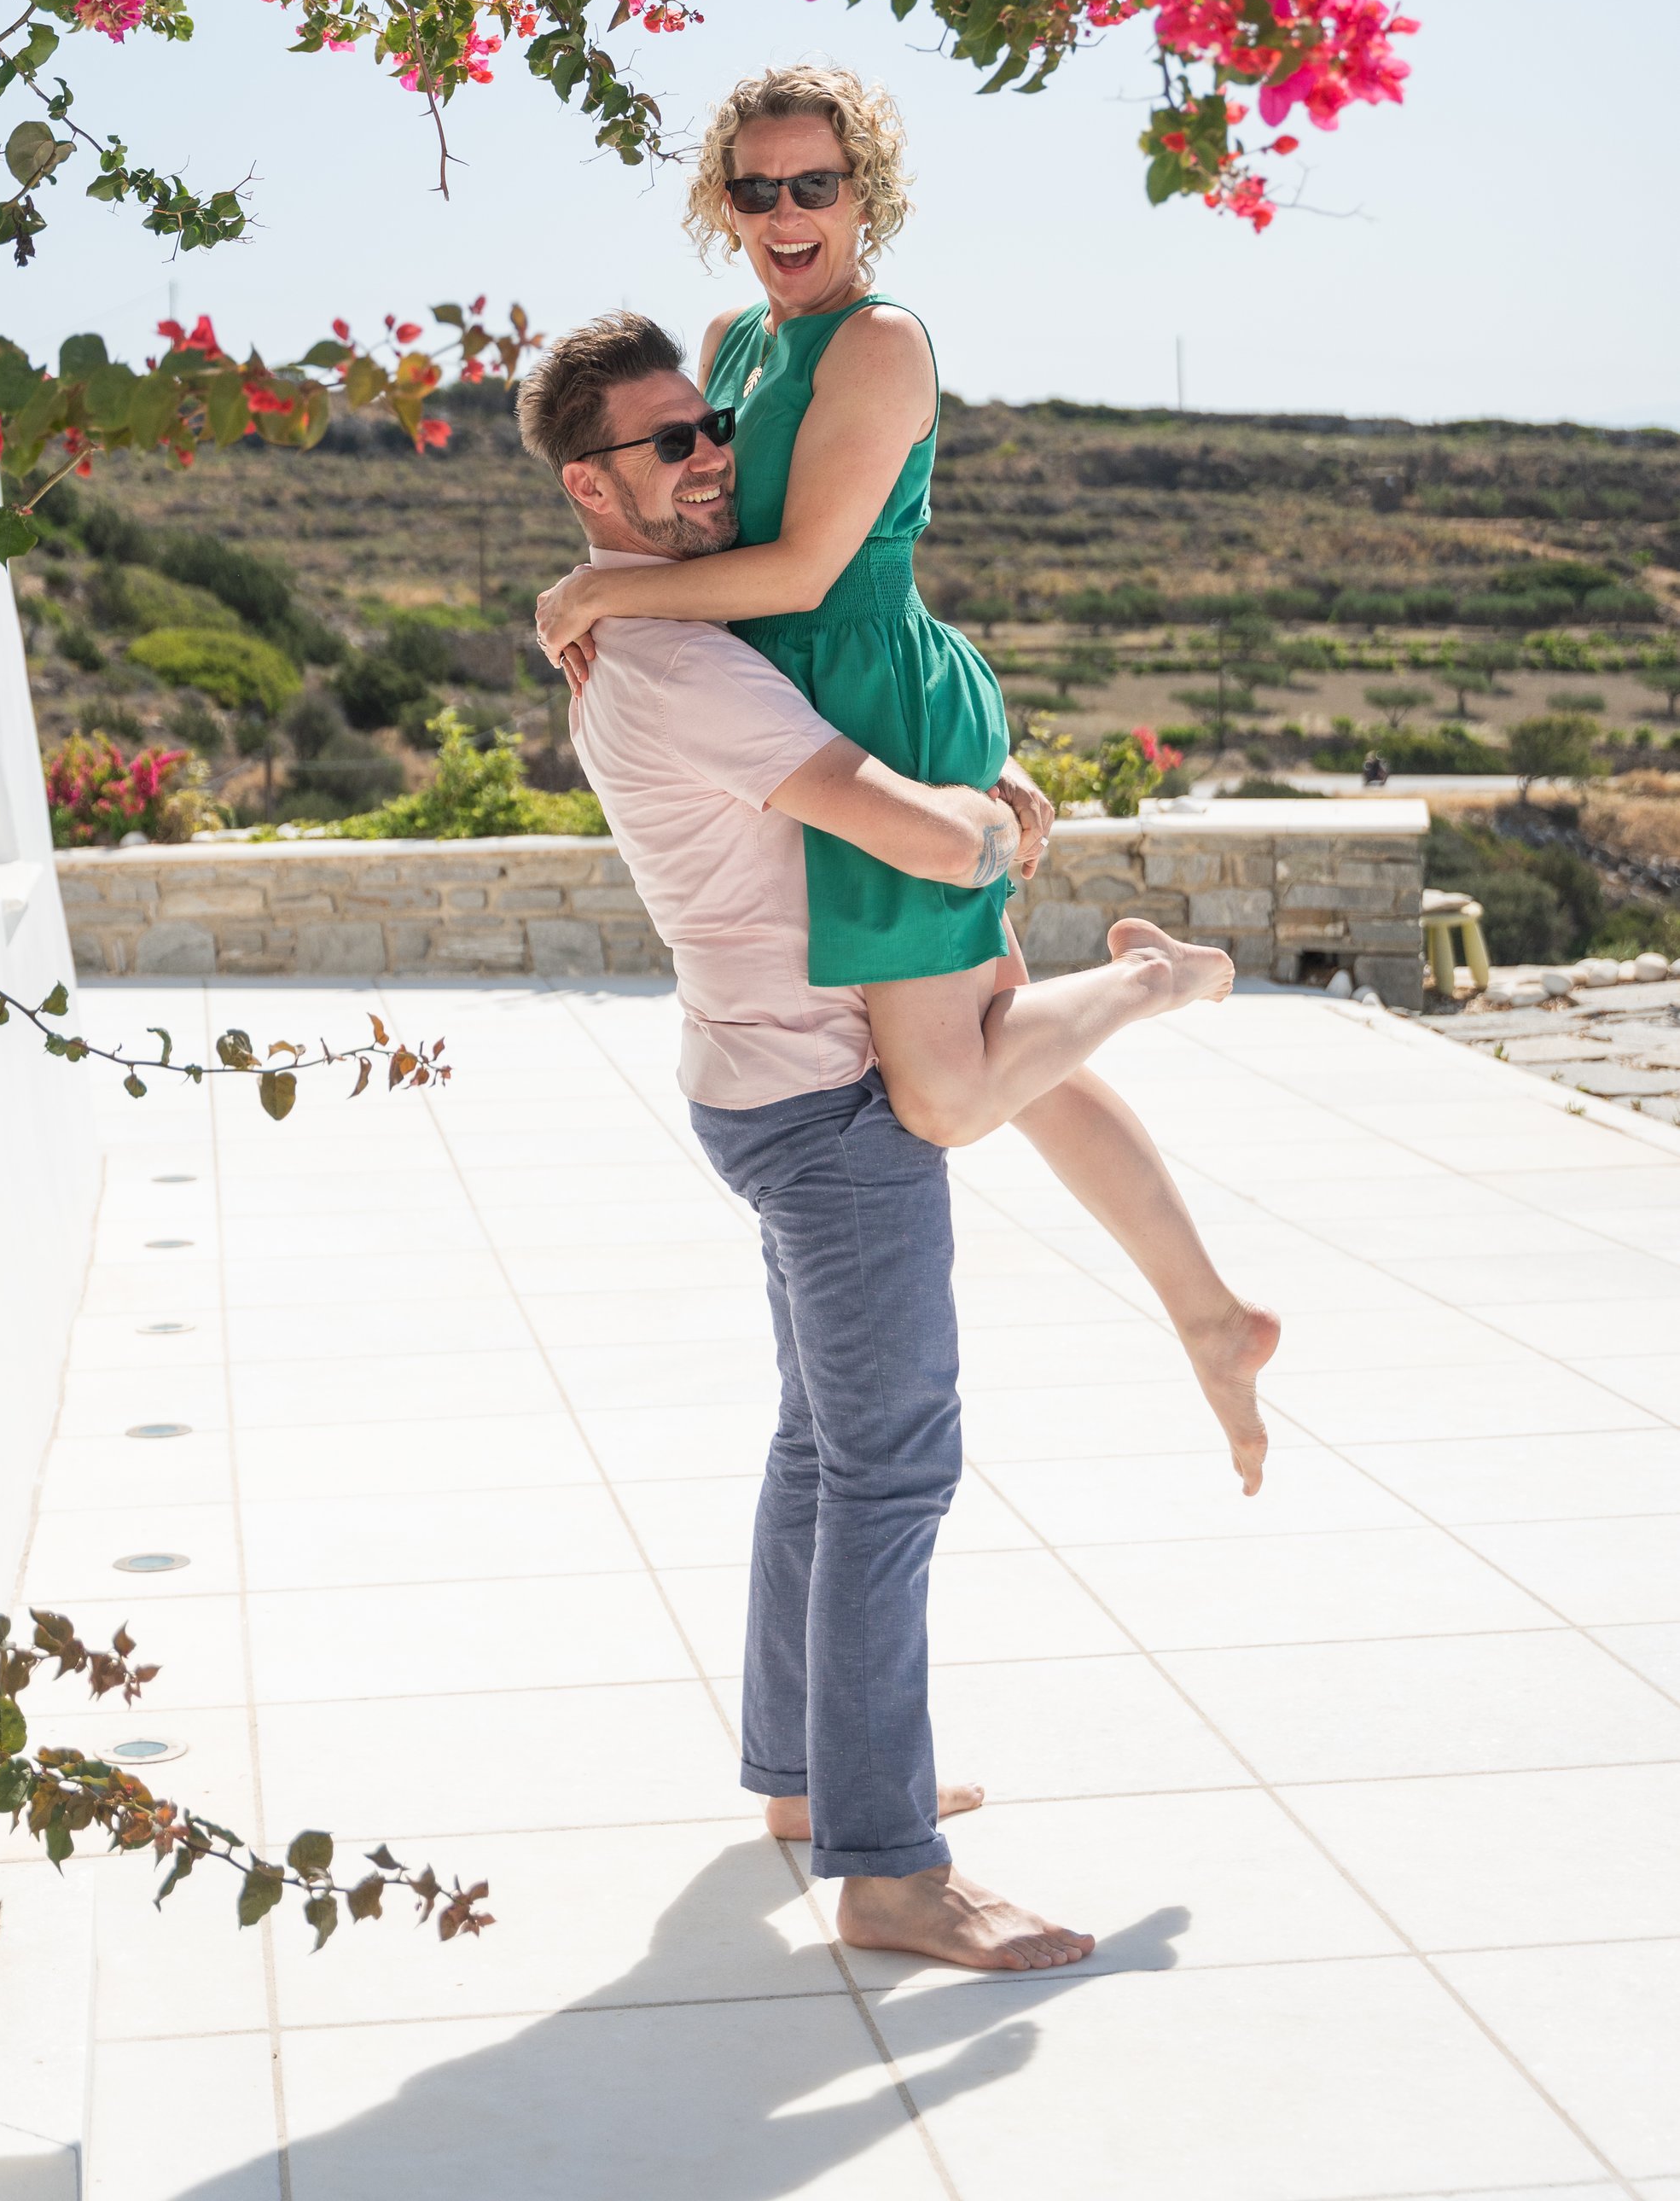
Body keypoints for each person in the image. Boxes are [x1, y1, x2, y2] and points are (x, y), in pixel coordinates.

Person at [516, 311, 1277, 1975]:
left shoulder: (667, 638)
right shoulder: (683, 666)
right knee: (889, 1471)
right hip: (823, 1115)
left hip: (760, 1088)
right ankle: (885, 1867)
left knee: (820, 1447)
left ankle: (804, 1782)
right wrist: (996, 814)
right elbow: (918, 836)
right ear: (588, 481)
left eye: (714, 428)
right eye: (670, 445)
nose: (710, 457)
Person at [535, 61, 1240, 1152]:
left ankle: (1151, 976)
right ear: (723, 203)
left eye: (815, 185)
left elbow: (811, 572)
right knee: (1009, 1042)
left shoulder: (878, 340)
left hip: (868, 692)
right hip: (803, 696)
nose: (785, 212)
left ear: (865, 194)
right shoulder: (733, 339)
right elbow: (678, 496)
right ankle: (1217, 1323)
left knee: (945, 1090)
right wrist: (609, 602)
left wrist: (596, 595)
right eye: (756, 188)